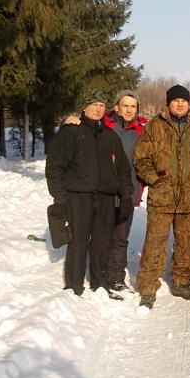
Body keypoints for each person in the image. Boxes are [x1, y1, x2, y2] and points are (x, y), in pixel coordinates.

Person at [133, 84, 190, 308]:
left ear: (189, 103)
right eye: (175, 100)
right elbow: (141, 160)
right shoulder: (155, 126)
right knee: (155, 243)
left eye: (184, 100)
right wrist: (154, 180)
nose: (180, 104)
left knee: (186, 244)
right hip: (162, 197)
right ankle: (148, 286)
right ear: (168, 103)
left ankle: (181, 281)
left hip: (189, 198)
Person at [46, 89, 133, 298]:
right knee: (78, 243)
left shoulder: (110, 136)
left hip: (105, 199)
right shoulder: (71, 132)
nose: (98, 109)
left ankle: (99, 282)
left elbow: (122, 169)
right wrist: (60, 198)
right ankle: (74, 287)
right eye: (94, 104)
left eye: (102, 105)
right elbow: (55, 168)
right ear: (84, 107)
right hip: (79, 197)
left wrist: (126, 196)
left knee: (102, 243)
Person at [64, 90, 147, 292]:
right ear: (116, 106)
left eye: (133, 106)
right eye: (125, 105)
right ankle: (95, 275)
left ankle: (116, 277)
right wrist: (67, 122)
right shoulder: (104, 124)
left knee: (120, 237)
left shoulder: (143, 130)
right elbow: (81, 133)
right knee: (101, 236)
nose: (129, 110)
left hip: (129, 190)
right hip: (103, 191)